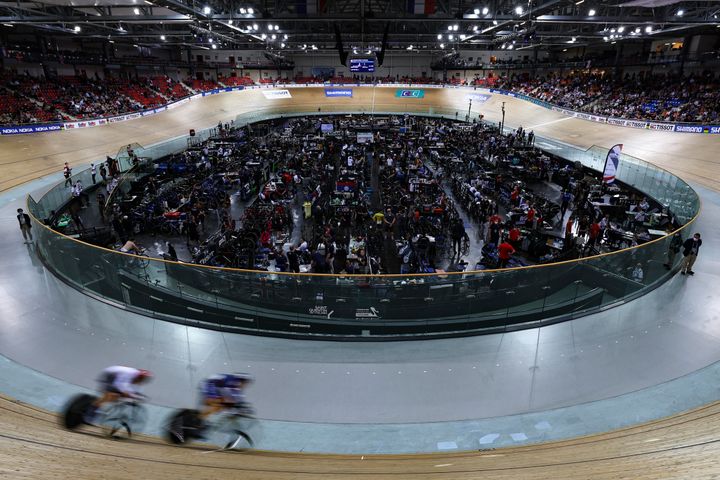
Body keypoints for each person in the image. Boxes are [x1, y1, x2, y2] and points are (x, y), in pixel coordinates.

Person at [86, 366, 152, 423]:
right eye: (140, 379)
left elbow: (135, 391)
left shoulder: (139, 379)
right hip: (110, 375)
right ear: (138, 376)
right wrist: (127, 393)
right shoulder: (129, 373)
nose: (141, 381)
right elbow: (118, 384)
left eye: (143, 380)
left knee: (120, 395)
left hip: (116, 378)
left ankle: (102, 408)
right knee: (110, 394)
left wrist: (137, 396)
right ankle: (91, 411)